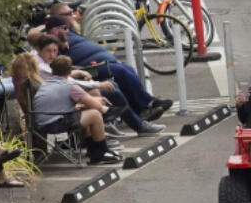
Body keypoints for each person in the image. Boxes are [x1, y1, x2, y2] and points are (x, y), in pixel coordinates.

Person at [34, 12, 172, 123]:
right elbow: (33, 34)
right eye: (60, 28)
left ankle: (143, 107)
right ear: (52, 30)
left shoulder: (70, 33)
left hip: (103, 63)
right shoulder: (51, 42)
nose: (65, 30)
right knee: (121, 74)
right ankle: (147, 106)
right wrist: (54, 34)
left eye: (65, 27)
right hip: (88, 69)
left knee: (127, 70)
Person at [29, 37, 163, 136]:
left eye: (55, 51)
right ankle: (126, 126)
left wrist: (81, 74)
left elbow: (67, 80)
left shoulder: (41, 61)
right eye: (49, 51)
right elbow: (70, 84)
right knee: (106, 94)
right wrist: (98, 84)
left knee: (110, 87)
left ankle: (124, 120)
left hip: (60, 104)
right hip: (57, 112)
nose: (52, 55)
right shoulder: (41, 66)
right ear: (38, 50)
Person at [32, 56, 124, 165]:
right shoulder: (69, 86)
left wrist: (95, 101)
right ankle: (101, 152)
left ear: (52, 70)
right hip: (54, 123)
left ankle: (93, 151)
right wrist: (100, 104)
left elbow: (63, 103)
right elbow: (94, 104)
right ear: (70, 71)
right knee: (95, 114)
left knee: (88, 110)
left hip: (42, 122)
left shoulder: (46, 83)